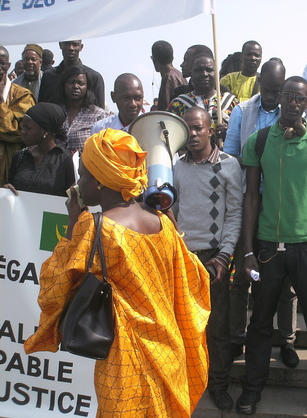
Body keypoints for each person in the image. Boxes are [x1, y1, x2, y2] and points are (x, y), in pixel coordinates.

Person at [24, 128, 211, 417]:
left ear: (100, 183)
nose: (79, 182)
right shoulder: (163, 224)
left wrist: (73, 224)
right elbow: (194, 281)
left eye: (83, 175)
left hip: (125, 361)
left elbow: (54, 289)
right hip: (168, 353)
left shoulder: (97, 227)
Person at [236, 76, 307, 416]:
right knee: (261, 321)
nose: (294, 102)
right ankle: (252, 389)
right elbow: (250, 197)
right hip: (267, 246)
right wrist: (247, 249)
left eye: (301, 98)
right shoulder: (259, 140)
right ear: (279, 98)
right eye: (289, 96)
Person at [224, 59, 300, 367]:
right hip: (249, 201)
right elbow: (231, 157)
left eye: (277, 91)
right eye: (267, 90)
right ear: (259, 85)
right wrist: (257, 160)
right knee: (243, 274)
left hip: (281, 207)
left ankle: (287, 340)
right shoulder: (242, 112)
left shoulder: (295, 115)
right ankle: (237, 338)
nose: (272, 97)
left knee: (285, 281)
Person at [173, 107, 243, 411]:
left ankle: (218, 384)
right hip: (183, 257)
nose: (192, 135)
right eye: (187, 130)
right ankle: (185, 382)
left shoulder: (229, 166)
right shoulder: (176, 167)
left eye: (198, 128)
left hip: (215, 259)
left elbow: (236, 212)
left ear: (210, 130)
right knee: (183, 326)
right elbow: (171, 211)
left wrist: (225, 255)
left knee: (217, 328)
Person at [168, 54, 238, 147]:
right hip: (188, 159)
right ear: (191, 73)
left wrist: (229, 133)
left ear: (216, 73)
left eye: (209, 70)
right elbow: (170, 137)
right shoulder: (178, 104)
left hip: (225, 158)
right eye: (198, 70)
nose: (204, 74)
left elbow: (243, 133)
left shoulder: (231, 102)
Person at [4, 103, 73, 197]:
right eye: (23, 127)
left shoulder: (66, 160)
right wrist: (6, 190)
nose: (23, 132)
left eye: (28, 128)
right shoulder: (20, 157)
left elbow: (72, 198)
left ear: (46, 131)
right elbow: (11, 187)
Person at [0, 46, 36, 185]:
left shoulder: (22, 95)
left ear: (8, 65)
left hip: (8, 171)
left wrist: (1, 103)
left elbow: (17, 132)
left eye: (2, 63)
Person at [55, 65, 109, 152]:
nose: (75, 86)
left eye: (80, 83)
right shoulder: (54, 112)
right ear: (63, 85)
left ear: (87, 87)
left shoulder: (99, 115)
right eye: (71, 82)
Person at [39, 40, 105, 108]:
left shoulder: (94, 77)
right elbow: (41, 108)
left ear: (81, 47)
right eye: (66, 44)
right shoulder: (49, 76)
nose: (71, 48)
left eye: (75, 44)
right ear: (60, 45)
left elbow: (100, 113)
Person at [151, 40, 187, 111]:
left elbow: (166, 112)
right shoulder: (179, 74)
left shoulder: (168, 78)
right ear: (172, 58)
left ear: (154, 60)